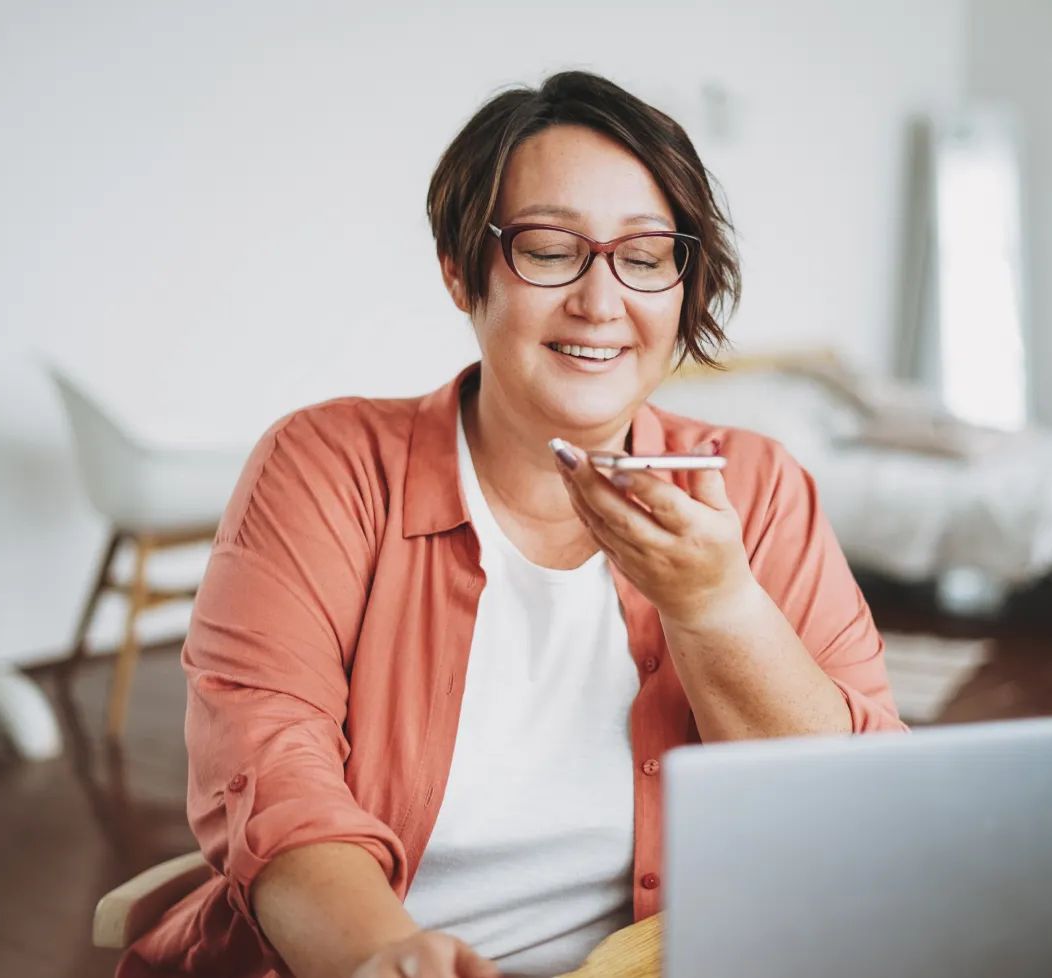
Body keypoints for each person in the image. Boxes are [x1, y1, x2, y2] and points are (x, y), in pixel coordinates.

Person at [118, 70, 905, 978]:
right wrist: (390, 958)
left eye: (645, 256)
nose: (601, 302)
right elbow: (274, 785)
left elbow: (863, 816)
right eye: (547, 248)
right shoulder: (327, 467)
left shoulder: (757, 489)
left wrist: (717, 606)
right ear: (461, 269)